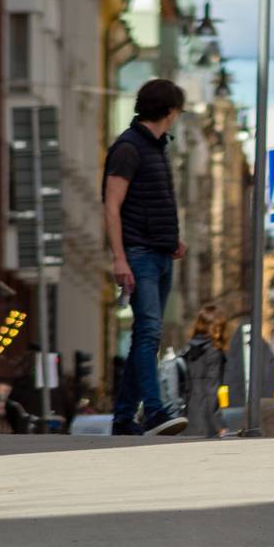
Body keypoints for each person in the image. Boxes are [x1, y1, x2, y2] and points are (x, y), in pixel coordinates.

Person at [106, 79, 189, 437]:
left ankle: (124, 418)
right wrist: (120, 259)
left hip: (160, 254)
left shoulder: (157, 147)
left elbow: (151, 202)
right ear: (170, 111)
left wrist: (172, 240)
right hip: (138, 255)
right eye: (178, 110)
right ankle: (154, 411)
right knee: (149, 333)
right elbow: (112, 206)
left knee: (146, 335)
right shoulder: (128, 147)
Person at [181, 305, 227, 437]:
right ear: (217, 327)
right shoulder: (213, 352)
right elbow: (211, 390)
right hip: (207, 421)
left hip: (188, 416)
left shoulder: (190, 350)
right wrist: (218, 424)